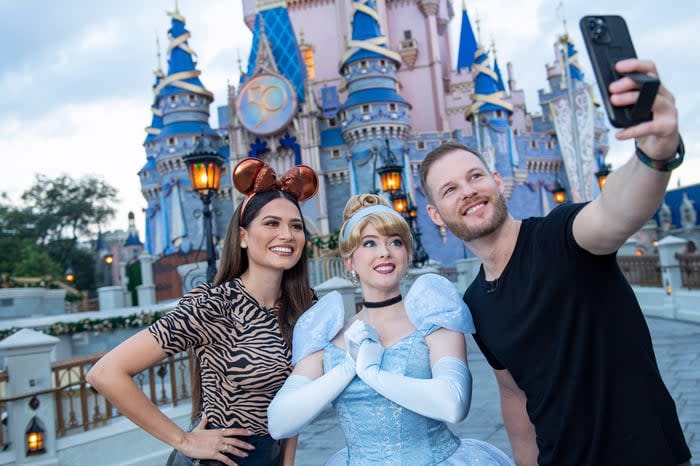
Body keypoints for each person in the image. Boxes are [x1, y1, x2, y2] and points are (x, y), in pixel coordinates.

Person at [420, 58, 691, 466]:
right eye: (450, 189)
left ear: (497, 179)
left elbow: (614, 213)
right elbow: (514, 395)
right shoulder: (475, 301)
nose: (469, 192)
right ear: (436, 214)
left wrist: (654, 154)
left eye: (475, 177)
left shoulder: (560, 236)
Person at [87, 158, 319, 466]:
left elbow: (294, 402)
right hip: (220, 459)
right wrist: (184, 440)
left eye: (296, 226)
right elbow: (105, 373)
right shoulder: (214, 304)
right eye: (271, 223)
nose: (287, 235)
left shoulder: (304, 306)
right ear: (244, 237)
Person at [267, 194, 514, 465]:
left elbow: (453, 404)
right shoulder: (329, 334)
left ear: (406, 255)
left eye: (395, 242)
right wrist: (347, 367)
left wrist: (372, 374)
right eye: (369, 243)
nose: (384, 252)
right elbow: (279, 422)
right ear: (350, 262)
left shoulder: (433, 318)